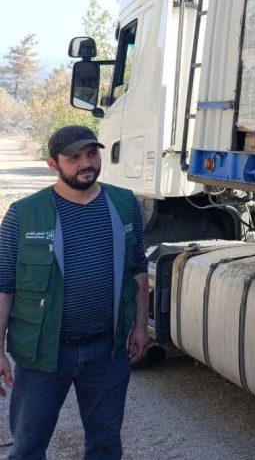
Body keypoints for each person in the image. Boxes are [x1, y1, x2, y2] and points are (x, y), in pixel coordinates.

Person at [0, 125, 150, 460]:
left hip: (106, 351)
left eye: (91, 154)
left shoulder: (124, 204)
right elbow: (3, 285)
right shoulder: (23, 215)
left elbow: (138, 268)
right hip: (42, 354)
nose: (86, 163)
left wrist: (140, 327)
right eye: (74, 158)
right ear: (53, 163)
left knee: (105, 445)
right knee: (27, 446)